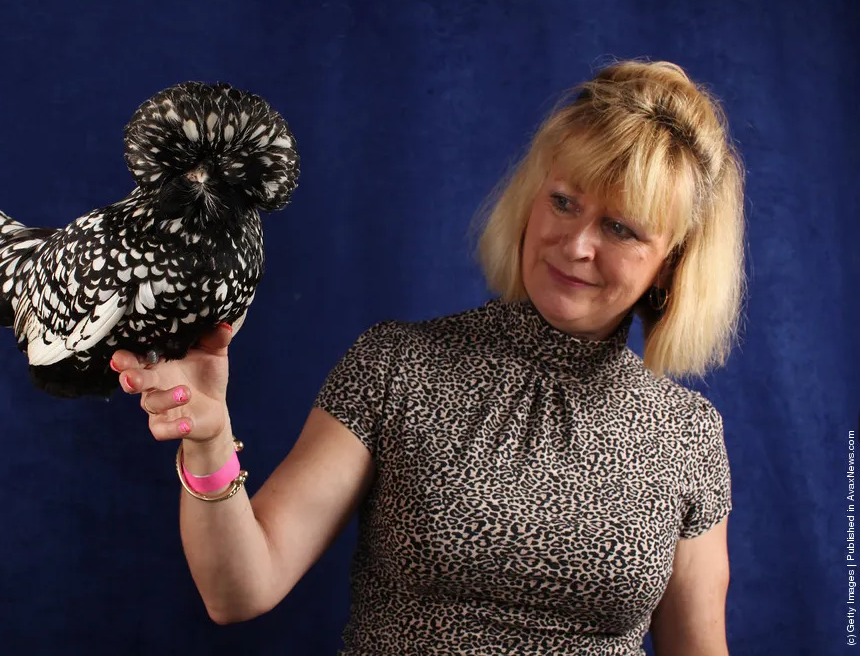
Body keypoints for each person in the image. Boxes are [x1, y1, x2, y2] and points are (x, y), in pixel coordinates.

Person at [110, 59, 744, 655]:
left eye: (621, 228)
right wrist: (209, 437)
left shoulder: (687, 435)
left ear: (670, 267)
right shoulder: (397, 366)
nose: (575, 243)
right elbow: (238, 591)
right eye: (563, 201)